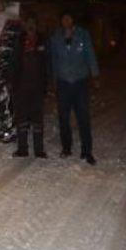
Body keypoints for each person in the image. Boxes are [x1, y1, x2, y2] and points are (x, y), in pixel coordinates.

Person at [48, 12, 99, 165]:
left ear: (73, 20)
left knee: (83, 117)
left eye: (69, 18)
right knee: (63, 117)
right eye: (63, 18)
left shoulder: (83, 35)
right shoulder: (56, 37)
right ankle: (66, 147)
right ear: (61, 21)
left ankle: (87, 151)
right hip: (63, 82)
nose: (66, 20)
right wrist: (53, 80)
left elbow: (90, 55)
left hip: (80, 82)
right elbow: (53, 60)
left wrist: (95, 75)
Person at [11, 17, 48, 158]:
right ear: (25, 25)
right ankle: (22, 149)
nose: (30, 26)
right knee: (22, 119)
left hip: (37, 86)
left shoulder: (42, 41)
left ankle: (39, 150)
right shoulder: (19, 41)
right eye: (28, 23)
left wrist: (46, 83)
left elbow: (46, 63)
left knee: (37, 120)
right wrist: (13, 82)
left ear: (36, 25)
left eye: (33, 23)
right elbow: (13, 62)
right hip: (21, 86)